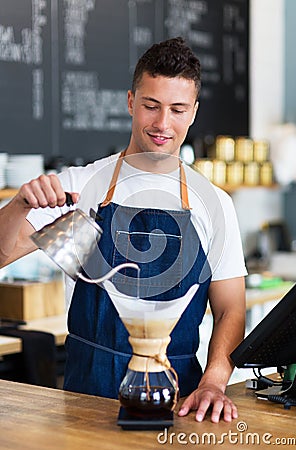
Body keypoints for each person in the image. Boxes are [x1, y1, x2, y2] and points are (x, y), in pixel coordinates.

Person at [0, 37, 247, 423]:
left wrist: (215, 380)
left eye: (177, 109)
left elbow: (230, 307)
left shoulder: (213, 203)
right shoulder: (81, 186)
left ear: (194, 112)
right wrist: (19, 205)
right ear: (131, 102)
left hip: (180, 398)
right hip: (86, 396)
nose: (163, 123)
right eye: (151, 106)